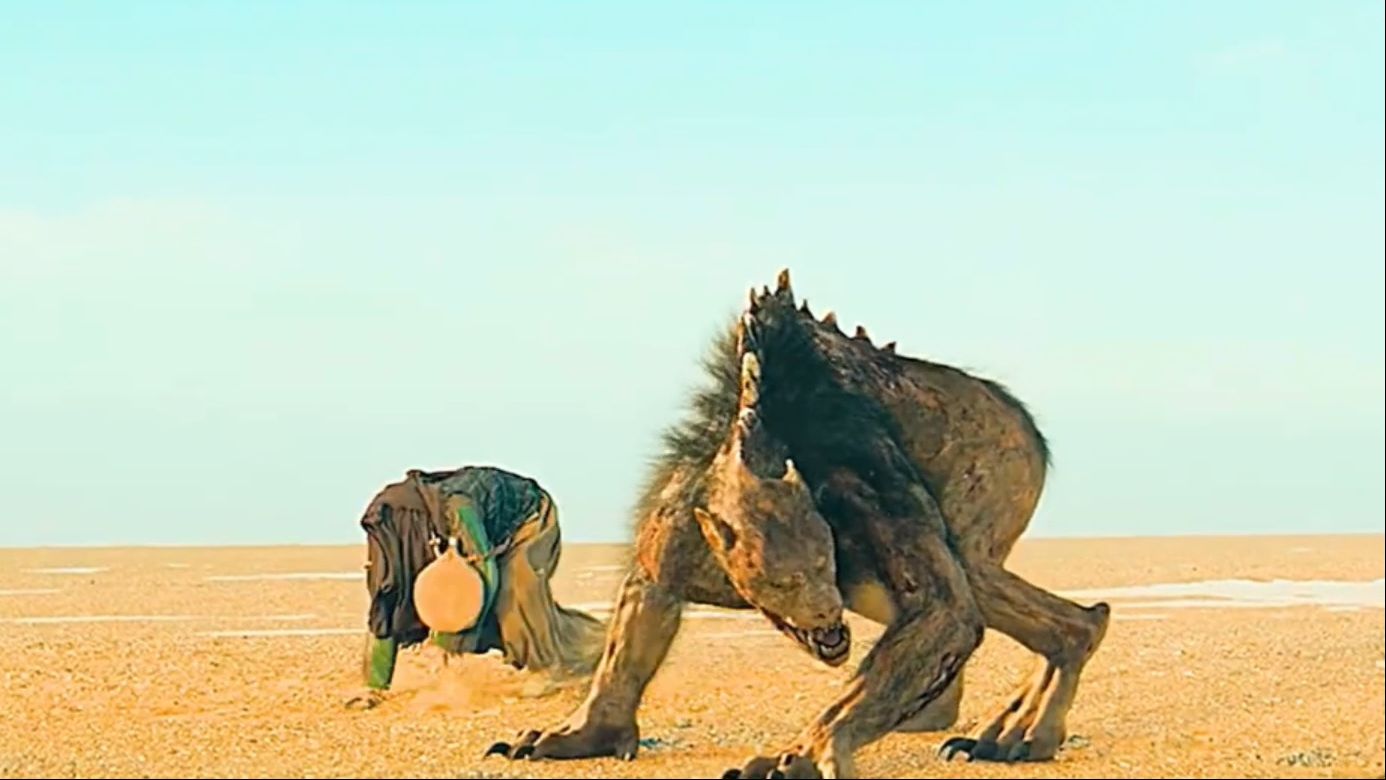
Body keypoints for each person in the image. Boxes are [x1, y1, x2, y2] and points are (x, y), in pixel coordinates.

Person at [345, 465, 606, 709]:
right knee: (423, 597)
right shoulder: (386, 529)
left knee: (513, 599)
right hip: (488, 534)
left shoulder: (457, 509)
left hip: (528, 518)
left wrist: (449, 646)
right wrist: (374, 686)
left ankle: (546, 669)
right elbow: (385, 603)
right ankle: (597, 640)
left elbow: (483, 573)